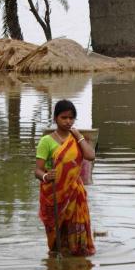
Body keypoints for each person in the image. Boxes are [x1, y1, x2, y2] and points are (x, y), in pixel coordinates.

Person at [35, 100, 96, 256]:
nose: (68, 121)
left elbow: (90, 156)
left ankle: (77, 262)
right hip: (54, 192)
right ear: (55, 118)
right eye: (64, 117)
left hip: (75, 193)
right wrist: (47, 176)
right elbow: (37, 171)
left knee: (75, 229)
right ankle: (56, 260)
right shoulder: (46, 141)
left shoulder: (76, 139)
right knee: (57, 236)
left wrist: (79, 136)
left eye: (71, 118)